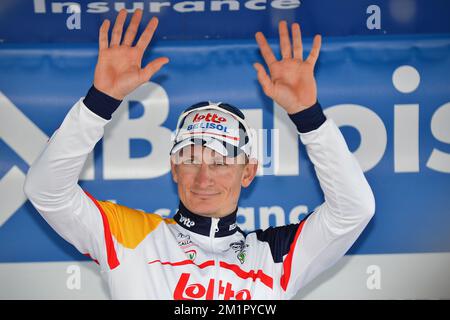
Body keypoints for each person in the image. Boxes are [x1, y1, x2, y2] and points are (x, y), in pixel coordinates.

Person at [24, 9, 375, 300]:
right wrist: (99, 102)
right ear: (174, 168)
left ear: (248, 171)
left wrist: (309, 117)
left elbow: (354, 211)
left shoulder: (273, 256)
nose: (204, 178)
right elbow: (46, 191)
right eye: (191, 160)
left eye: (221, 163)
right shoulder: (131, 236)